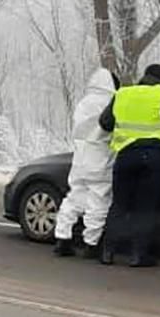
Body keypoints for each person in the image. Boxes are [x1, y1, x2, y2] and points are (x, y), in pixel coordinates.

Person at [98, 63, 160, 267]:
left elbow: (105, 123)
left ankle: (107, 252)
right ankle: (138, 255)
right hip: (154, 158)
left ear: (144, 76)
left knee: (119, 204)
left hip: (125, 155)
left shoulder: (123, 94)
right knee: (144, 207)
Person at [53, 68, 119, 259]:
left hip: (80, 157)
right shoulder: (110, 103)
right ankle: (91, 243)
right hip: (100, 157)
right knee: (98, 201)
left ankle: (62, 238)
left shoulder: (83, 103)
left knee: (74, 198)